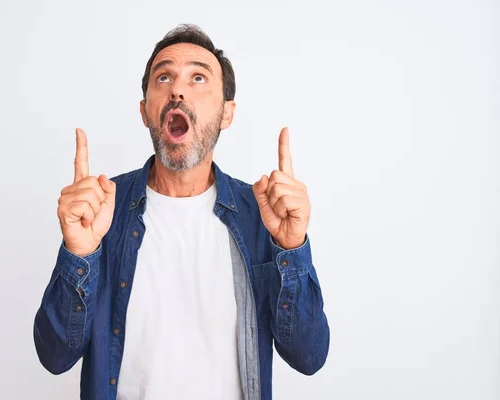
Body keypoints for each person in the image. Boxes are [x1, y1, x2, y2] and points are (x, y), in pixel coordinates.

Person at [33, 24, 330, 400]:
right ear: (145, 111)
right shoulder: (101, 211)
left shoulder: (261, 214)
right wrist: (79, 253)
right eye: (164, 77)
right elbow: (54, 356)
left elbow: (309, 356)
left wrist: (292, 249)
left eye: (199, 77)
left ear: (227, 113)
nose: (177, 89)